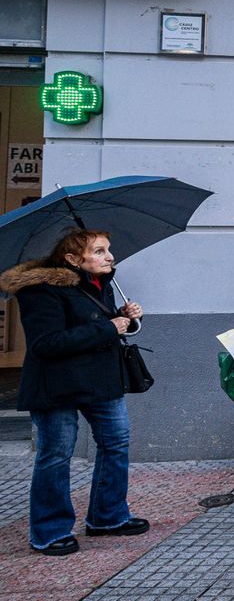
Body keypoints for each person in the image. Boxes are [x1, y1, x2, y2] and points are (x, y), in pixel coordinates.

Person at [6, 230, 146, 556]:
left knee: (116, 442)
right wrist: (108, 327)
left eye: (108, 250)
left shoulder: (98, 284)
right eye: (99, 251)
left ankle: (107, 516)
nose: (109, 256)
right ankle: (49, 531)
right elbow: (46, 344)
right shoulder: (41, 290)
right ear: (72, 259)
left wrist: (126, 318)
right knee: (56, 454)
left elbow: (102, 325)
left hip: (101, 382)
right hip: (56, 386)